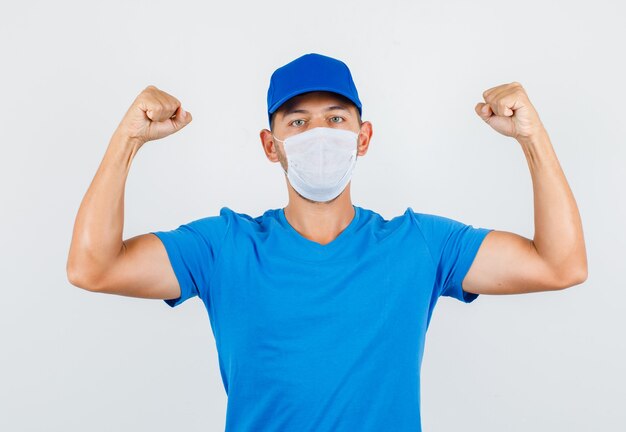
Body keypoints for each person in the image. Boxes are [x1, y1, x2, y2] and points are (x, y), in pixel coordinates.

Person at [66, 53, 588, 431]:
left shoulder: (419, 245)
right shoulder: (225, 248)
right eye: (299, 121)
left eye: (336, 119)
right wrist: (127, 140)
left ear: (363, 138)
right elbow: (93, 267)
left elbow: (560, 265)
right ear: (271, 146)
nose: (320, 134)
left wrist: (532, 137)